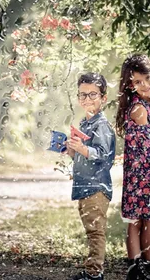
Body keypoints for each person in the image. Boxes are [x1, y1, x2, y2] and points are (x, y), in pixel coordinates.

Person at [66, 72, 116, 280]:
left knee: (96, 231)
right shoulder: (85, 124)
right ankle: (92, 269)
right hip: (85, 186)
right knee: (90, 230)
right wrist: (71, 149)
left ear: (103, 98)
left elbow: (104, 156)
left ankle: (95, 273)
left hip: (97, 187)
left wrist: (83, 149)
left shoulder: (101, 126)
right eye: (82, 95)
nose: (87, 99)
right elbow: (84, 156)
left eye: (92, 95)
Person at [116, 54, 150, 279]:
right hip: (142, 174)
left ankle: (143, 264)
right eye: (137, 82)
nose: (143, 85)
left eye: (146, 78)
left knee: (146, 220)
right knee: (137, 221)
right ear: (129, 85)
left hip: (142, 173)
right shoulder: (139, 109)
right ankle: (136, 265)